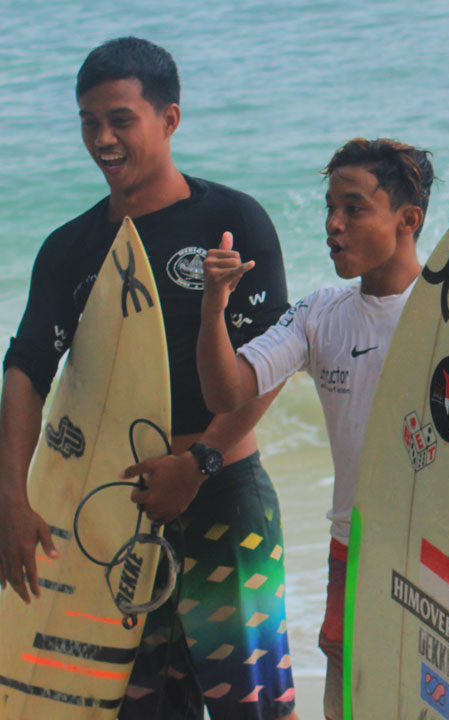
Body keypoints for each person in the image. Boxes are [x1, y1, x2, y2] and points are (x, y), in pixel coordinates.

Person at [0, 37, 298, 720]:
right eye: (88, 121)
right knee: (130, 709)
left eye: (120, 119)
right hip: (117, 513)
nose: (102, 138)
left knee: (249, 707)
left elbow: (276, 358)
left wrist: (201, 460)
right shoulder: (69, 247)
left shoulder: (231, 221)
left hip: (223, 499)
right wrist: (11, 499)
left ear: (169, 119)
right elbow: (26, 371)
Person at [196, 138, 449, 720]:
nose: (333, 225)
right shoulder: (322, 313)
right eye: (329, 209)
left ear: (408, 220)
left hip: (440, 548)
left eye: (353, 208)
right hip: (355, 549)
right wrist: (213, 309)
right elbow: (228, 390)